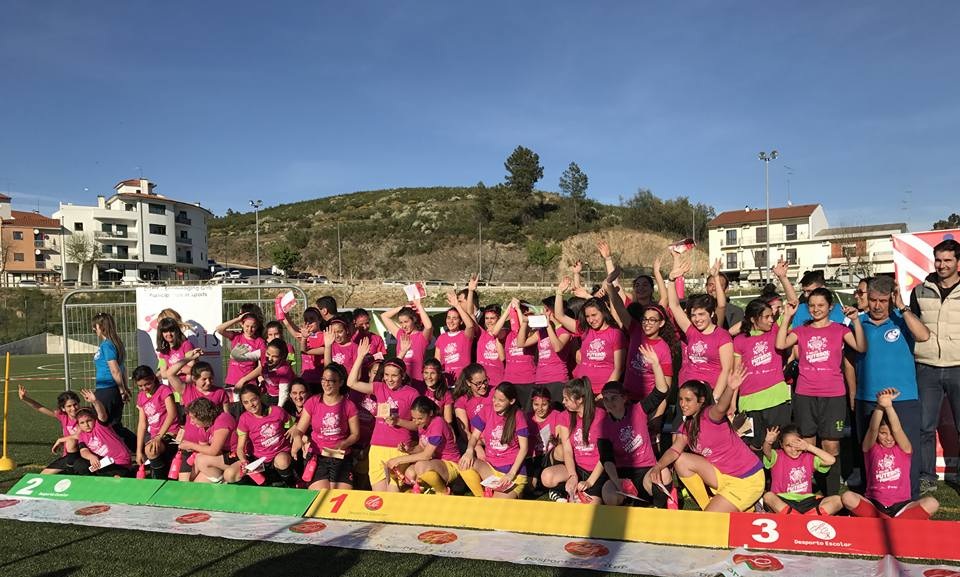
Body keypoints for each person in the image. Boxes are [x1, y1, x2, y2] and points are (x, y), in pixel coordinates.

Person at [777, 289, 865, 495]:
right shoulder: (801, 330)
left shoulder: (840, 329)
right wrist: (787, 316)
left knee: (831, 446)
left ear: (830, 307)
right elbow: (780, 344)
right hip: (805, 394)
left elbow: (861, 347)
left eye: (821, 305)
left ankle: (831, 495)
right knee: (807, 444)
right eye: (812, 305)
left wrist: (856, 321)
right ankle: (809, 491)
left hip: (833, 395)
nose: (816, 309)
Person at [854, 275, 928, 498]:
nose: (877, 306)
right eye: (873, 300)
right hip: (867, 397)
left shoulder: (902, 319)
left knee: (908, 451)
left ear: (892, 299)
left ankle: (909, 499)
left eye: (883, 301)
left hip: (904, 398)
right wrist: (853, 393)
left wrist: (902, 308)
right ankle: (872, 499)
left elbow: (923, 336)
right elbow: (848, 361)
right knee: (868, 452)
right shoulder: (857, 322)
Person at [650, 367, 765, 512]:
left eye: (688, 400)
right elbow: (674, 451)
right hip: (722, 475)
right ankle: (709, 507)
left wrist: (730, 388)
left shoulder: (709, 414)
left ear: (701, 401)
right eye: (680, 399)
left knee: (710, 520)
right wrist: (658, 466)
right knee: (681, 460)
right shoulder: (686, 426)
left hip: (747, 479)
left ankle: (749, 507)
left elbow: (721, 407)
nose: (683, 404)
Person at [842, 388, 940, 519]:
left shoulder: (904, 449)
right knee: (847, 497)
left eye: (891, 434)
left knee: (932, 503)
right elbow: (873, 428)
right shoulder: (871, 448)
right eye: (883, 433)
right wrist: (880, 406)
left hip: (902, 505)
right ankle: (893, 523)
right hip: (874, 504)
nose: (888, 438)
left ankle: (882, 521)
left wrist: (889, 407)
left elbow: (897, 429)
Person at [910, 239, 960, 494]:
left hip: (958, 366)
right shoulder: (919, 291)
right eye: (938, 260)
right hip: (927, 367)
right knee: (924, 427)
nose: (942, 265)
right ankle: (927, 476)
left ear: (958, 262)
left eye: (948, 260)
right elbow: (913, 325)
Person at [598, 346, 676, 508]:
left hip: (646, 470)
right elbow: (607, 459)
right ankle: (627, 506)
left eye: (614, 398)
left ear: (624, 398)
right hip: (622, 475)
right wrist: (618, 483)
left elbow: (662, 391)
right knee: (608, 492)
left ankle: (659, 509)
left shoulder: (638, 410)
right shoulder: (603, 425)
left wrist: (656, 364)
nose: (610, 402)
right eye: (606, 399)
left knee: (663, 473)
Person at [347, 338, 420, 491]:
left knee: (393, 495)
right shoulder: (379, 387)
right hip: (377, 448)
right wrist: (360, 357)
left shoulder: (412, 393)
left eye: (394, 376)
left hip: (399, 448)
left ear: (403, 376)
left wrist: (398, 421)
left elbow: (417, 425)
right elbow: (351, 383)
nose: (389, 379)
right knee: (380, 496)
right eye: (386, 375)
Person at [665, 254, 734, 398]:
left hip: (709, 392)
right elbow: (674, 305)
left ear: (711, 314)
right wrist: (671, 280)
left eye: (701, 314)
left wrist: (714, 398)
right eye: (693, 315)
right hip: (687, 392)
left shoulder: (722, 335)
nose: (697, 319)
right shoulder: (691, 331)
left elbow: (726, 369)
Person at [733, 297, 794, 451]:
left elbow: (793, 301)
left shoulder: (776, 330)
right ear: (753, 319)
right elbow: (736, 373)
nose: (771, 320)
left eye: (771, 316)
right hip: (749, 402)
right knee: (753, 446)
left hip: (776, 400)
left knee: (778, 444)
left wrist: (783, 279)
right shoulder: (739, 340)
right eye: (766, 317)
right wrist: (733, 402)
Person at [540, 378, 608, 504]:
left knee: (589, 506)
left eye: (566, 399)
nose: (563, 402)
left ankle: (577, 491)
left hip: (597, 471)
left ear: (580, 399)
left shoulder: (600, 416)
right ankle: (564, 489)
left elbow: (605, 455)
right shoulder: (565, 416)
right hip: (578, 467)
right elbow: (567, 450)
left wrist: (590, 481)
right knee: (547, 476)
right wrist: (573, 475)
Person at [293, 363, 360, 490]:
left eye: (331, 380)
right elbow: (299, 429)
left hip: (340, 456)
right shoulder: (313, 402)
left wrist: (345, 443)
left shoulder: (349, 405)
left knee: (340, 496)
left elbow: (355, 434)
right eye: (323, 379)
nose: (326, 384)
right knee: (321, 494)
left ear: (341, 382)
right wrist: (297, 438)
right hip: (318, 456)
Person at [554, 280, 626, 397]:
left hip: (604, 392)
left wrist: (605, 393)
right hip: (583, 391)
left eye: (594, 315)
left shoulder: (616, 333)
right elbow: (559, 316)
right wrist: (559, 292)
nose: (591, 320)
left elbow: (619, 368)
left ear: (603, 312)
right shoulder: (584, 329)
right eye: (587, 316)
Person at [458, 382, 529, 499]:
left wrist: (511, 474)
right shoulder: (487, 410)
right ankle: (481, 496)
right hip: (490, 468)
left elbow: (524, 448)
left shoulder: (518, 416)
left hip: (512, 472)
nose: (495, 402)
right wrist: (469, 450)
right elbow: (474, 436)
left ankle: (513, 492)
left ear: (511, 401)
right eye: (494, 398)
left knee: (496, 503)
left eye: (501, 400)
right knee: (464, 463)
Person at [20, 386, 107, 474]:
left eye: (75, 404)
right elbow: (41, 408)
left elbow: (80, 435)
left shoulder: (84, 416)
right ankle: (70, 467)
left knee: (71, 441)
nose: (73, 408)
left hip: (85, 454)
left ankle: (72, 471)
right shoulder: (63, 416)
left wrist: (61, 439)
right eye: (69, 406)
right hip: (69, 456)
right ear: (63, 408)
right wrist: (25, 399)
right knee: (44, 474)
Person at [386, 396, 461, 494]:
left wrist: (398, 460)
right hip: (435, 462)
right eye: (414, 418)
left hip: (450, 463)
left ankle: (444, 492)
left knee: (420, 466)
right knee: (410, 473)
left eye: (420, 418)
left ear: (430, 413)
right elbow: (422, 447)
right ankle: (422, 491)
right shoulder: (423, 425)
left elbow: (426, 455)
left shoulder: (438, 422)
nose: (416, 422)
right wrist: (409, 449)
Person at [761, 425, 841, 515]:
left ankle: (802, 518)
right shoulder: (777, 455)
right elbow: (766, 451)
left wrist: (808, 447)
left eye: (797, 445)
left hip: (807, 501)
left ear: (802, 442)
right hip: (783, 500)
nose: (793, 449)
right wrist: (768, 442)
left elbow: (831, 460)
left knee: (837, 500)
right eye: (788, 446)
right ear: (781, 445)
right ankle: (801, 518)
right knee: (768, 496)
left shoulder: (808, 457)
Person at [235, 383, 299, 487]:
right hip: (260, 460)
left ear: (260, 397)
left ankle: (292, 485)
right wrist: (243, 461)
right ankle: (264, 485)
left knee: (282, 461)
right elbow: (240, 448)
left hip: (280, 454)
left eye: (253, 400)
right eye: (246, 402)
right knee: (230, 474)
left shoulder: (277, 411)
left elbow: (296, 425)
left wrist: (295, 427)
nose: (251, 404)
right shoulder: (244, 419)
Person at [132, 365, 181, 479]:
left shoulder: (164, 390)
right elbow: (142, 424)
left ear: (154, 378)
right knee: (150, 450)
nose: (144, 388)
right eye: (140, 386)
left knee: (151, 449)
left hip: (170, 433)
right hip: (155, 436)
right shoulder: (141, 396)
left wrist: (159, 436)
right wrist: (138, 451)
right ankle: (161, 478)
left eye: (147, 384)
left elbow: (172, 414)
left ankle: (160, 481)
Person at [91, 312, 134, 440]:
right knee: (114, 426)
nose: (94, 329)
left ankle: (136, 446)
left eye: (95, 326)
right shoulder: (114, 343)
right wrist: (124, 387)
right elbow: (123, 368)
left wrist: (122, 390)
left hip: (108, 390)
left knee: (105, 426)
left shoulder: (107, 345)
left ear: (102, 327)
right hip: (110, 390)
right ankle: (136, 447)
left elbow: (115, 370)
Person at [180, 398, 241, 484]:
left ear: (202, 415)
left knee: (201, 459)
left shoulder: (223, 419)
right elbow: (204, 449)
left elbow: (213, 451)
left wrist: (191, 445)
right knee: (195, 485)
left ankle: (222, 481)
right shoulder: (203, 429)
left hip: (236, 455)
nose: (191, 422)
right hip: (221, 458)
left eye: (193, 418)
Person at [66, 407, 133, 476]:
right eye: (82, 423)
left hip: (120, 463)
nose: (86, 425)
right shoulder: (82, 435)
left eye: (89, 421)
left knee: (117, 477)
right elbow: (83, 451)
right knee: (79, 464)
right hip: (102, 464)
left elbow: (102, 415)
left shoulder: (101, 427)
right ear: (79, 425)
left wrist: (95, 402)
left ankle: (127, 473)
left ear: (95, 419)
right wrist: (91, 457)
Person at [216, 311, 266, 400]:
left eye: (253, 327)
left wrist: (243, 380)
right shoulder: (236, 336)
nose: (249, 329)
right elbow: (219, 329)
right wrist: (237, 319)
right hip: (232, 381)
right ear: (242, 324)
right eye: (247, 326)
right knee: (233, 406)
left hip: (248, 383)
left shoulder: (260, 342)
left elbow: (261, 367)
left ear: (257, 327)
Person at [381, 302, 433, 384]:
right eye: (401, 322)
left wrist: (419, 305)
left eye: (406, 321)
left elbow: (429, 326)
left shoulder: (422, 337)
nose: (403, 326)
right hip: (400, 381)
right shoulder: (400, 334)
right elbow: (384, 316)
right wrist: (402, 307)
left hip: (417, 381)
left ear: (414, 320)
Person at [534, 296, 573, 405]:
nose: (544, 313)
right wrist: (524, 322)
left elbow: (557, 347)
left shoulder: (564, 330)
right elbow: (521, 343)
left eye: (547, 310)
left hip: (557, 379)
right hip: (540, 379)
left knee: (557, 410)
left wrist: (549, 325)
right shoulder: (542, 331)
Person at [434, 292, 477, 381]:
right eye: (448, 318)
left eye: (455, 318)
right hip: (445, 381)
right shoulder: (441, 338)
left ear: (461, 321)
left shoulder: (465, 335)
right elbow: (437, 362)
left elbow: (470, 325)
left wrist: (457, 305)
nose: (451, 321)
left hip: (462, 381)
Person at [452, 364, 490, 441]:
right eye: (478, 383)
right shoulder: (461, 401)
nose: (483, 386)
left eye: (485, 381)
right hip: (476, 440)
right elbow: (465, 432)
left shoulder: (494, 392)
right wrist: (476, 443)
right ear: (468, 383)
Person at [475, 304, 506, 388]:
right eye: (487, 318)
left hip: (498, 381)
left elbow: (502, 357)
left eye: (492, 318)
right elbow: (470, 315)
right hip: (481, 381)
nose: (489, 321)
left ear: (499, 319)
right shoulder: (481, 333)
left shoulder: (504, 333)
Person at [156, 317, 194, 384]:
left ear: (176, 331)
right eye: (165, 331)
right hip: (173, 386)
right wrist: (180, 369)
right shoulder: (162, 352)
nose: (169, 334)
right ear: (161, 334)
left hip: (188, 385)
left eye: (171, 330)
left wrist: (171, 371)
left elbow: (191, 369)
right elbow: (163, 374)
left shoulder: (187, 345)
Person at [261, 338, 295, 407]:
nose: (273, 336)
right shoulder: (268, 351)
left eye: (276, 334)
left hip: (283, 375)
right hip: (271, 391)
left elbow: (291, 359)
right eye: (270, 335)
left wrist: (288, 364)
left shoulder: (289, 346)